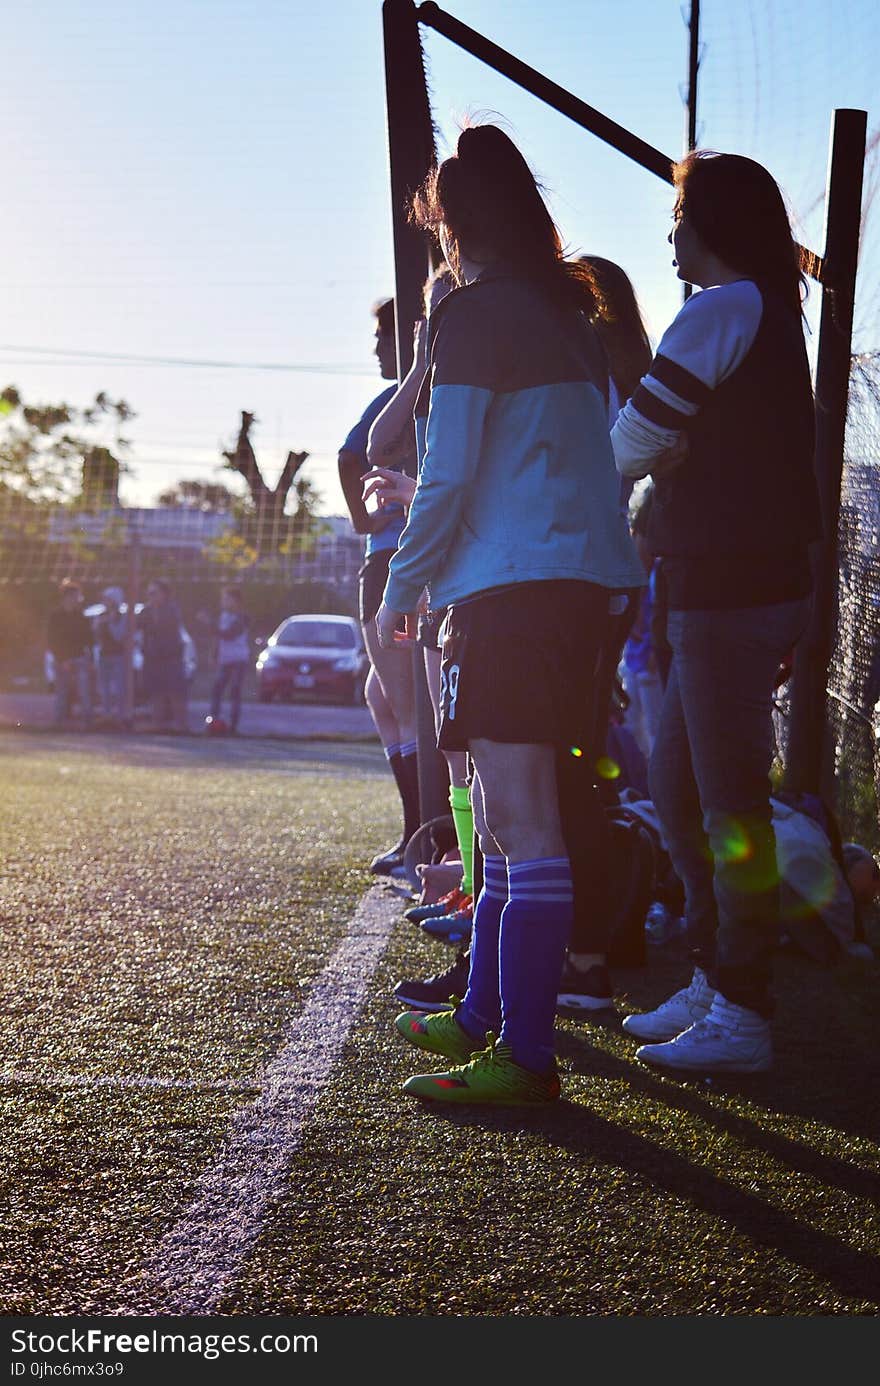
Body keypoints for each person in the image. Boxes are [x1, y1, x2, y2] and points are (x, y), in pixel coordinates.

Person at [377, 123, 645, 1106]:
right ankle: (485, 1013)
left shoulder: (479, 311)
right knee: (501, 822)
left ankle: (524, 1055)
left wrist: (404, 587)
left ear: (460, 224)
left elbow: (443, 474)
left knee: (523, 827)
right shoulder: (565, 308)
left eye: (440, 223)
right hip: (573, 587)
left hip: (514, 592)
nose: (437, 242)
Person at [611, 150, 823, 1074]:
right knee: (683, 792)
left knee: (726, 804)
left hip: (735, 593)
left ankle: (744, 1007)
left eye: (679, 211)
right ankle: (713, 977)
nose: (669, 232)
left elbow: (633, 438)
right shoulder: (748, 311)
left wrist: (641, 459)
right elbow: (663, 445)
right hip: (716, 589)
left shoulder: (726, 307)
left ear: (714, 224)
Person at [364, 265, 475, 939]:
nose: (436, 324)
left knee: (475, 757)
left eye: (444, 310)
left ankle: (478, 891)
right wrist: (424, 354)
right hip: (444, 584)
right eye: (429, 315)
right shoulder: (437, 377)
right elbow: (377, 444)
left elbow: (461, 479)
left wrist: (417, 493)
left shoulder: (485, 376)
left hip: (472, 583)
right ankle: (468, 886)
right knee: (459, 752)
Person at [338, 297, 419, 876]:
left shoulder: (405, 399)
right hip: (390, 554)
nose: (373, 347)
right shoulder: (404, 398)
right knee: (380, 695)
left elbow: (349, 456)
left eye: (380, 335)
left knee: (411, 706)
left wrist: (367, 522)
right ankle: (418, 828)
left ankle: (426, 838)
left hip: (397, 559)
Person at [139, 578, 188, 733]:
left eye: (154, 593)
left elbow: (166, 630)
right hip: (153, 658)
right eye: (149, 593)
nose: (151, 596)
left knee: (175, 692)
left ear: (164, 594)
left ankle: (181, 726)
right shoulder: (146, 611)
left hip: (170, 657)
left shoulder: (172, 610)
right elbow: (140, 629)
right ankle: (157, 725)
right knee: (156, 693)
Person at [47, 578, 94, 730]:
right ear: (66, 597)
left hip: (79, 658)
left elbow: (88, 639)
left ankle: (88, 722)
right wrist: (62, 659)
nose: (77, 600)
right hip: (61, 660)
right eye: (74, 596)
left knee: (84, 691)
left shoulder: (81, 616)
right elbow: (52, 639)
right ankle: (58, 722)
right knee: (62, 692)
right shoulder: (56, 616)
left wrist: (89, 658)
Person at [203, 586, 250, 734]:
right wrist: (213, 655)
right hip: (225, 660)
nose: (223, 602)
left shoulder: (242, 618)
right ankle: (214, 721)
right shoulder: (223, 616)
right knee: (217, 690)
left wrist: (209, 623)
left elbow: (229, 634)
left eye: (226, 599)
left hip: (238, 659)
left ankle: (233, 726)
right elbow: (217, 637)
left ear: (236, 601)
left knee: (234, 691)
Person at [95, 586, 128, 728]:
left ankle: (120, 716)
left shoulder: (122, 616)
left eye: (107, 599)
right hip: (104, 655)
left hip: (118, 656)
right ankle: (106, 715)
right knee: (104, 687)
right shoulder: (100, 615)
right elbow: (95, 635)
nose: (104, 601)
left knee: (120, 687)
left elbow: (119, 636)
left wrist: (111, 622)